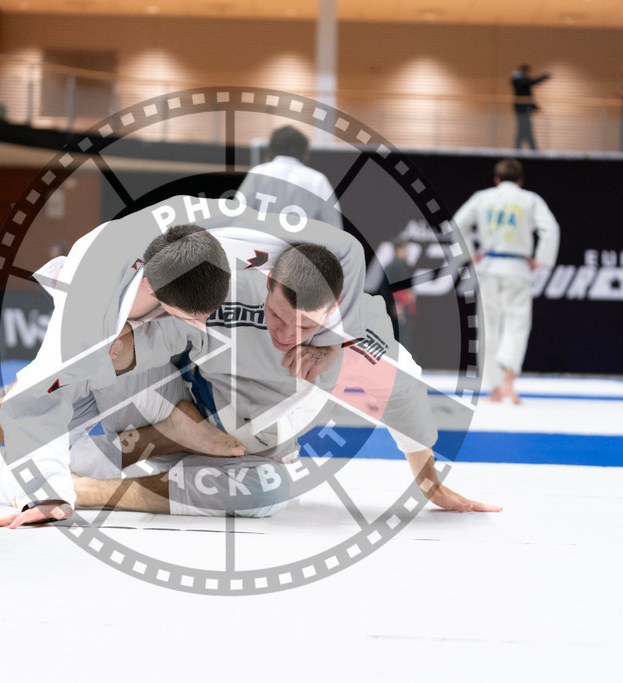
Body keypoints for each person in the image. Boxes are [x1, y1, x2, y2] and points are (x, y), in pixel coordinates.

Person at [57, 245, 499, 523]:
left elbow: (405, 391)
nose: (287, 335)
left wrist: (427, 482)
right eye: (279, 317)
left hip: (249, 451)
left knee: (267, 492)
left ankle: (89, 488)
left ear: (332, 313)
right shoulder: (229, 289)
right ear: (269, 284)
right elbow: (155, 336)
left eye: (306, 327)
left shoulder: (357, 336)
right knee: (106, 348)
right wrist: (108, 340)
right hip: (181, 400)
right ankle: (101, 449)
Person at [452, 158, 560, 404]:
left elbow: (457, 225)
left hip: (489, 265)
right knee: (516, 324)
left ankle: (493, 388)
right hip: (517, 267)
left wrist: (471, 253)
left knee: (489, 327)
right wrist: (539, 259)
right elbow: (550, 229)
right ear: (521, 181)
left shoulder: (482, 197)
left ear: (496, 179)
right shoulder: (530, 199)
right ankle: (508, 383)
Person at [238, 125, 343, 230]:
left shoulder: (258, 173)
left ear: (270, 150)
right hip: (301, 245)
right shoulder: (318, 180)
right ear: (305, 153)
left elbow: (237, 215)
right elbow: (334, 228)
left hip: (259, 244)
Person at [383, 236, 417, 353]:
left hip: (406, 306)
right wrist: (396, 305)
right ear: (398, 250)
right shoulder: (392, 267)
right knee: (399, 335)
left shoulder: (406, 266)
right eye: (405, 249)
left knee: (406, 334)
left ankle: (406, 362)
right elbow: (388, 290)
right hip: (398, 307)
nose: (407, 252)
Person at [511, 64, 550, 150]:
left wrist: (535, 107)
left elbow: (529, 97)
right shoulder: (519, 81)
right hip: (521, 110)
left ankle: (521, 147)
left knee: (523, 129)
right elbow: (529, 82)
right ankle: (531, 148)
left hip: (525, 110)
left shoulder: (524, 82)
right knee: (525, 129)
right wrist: (543, 78)